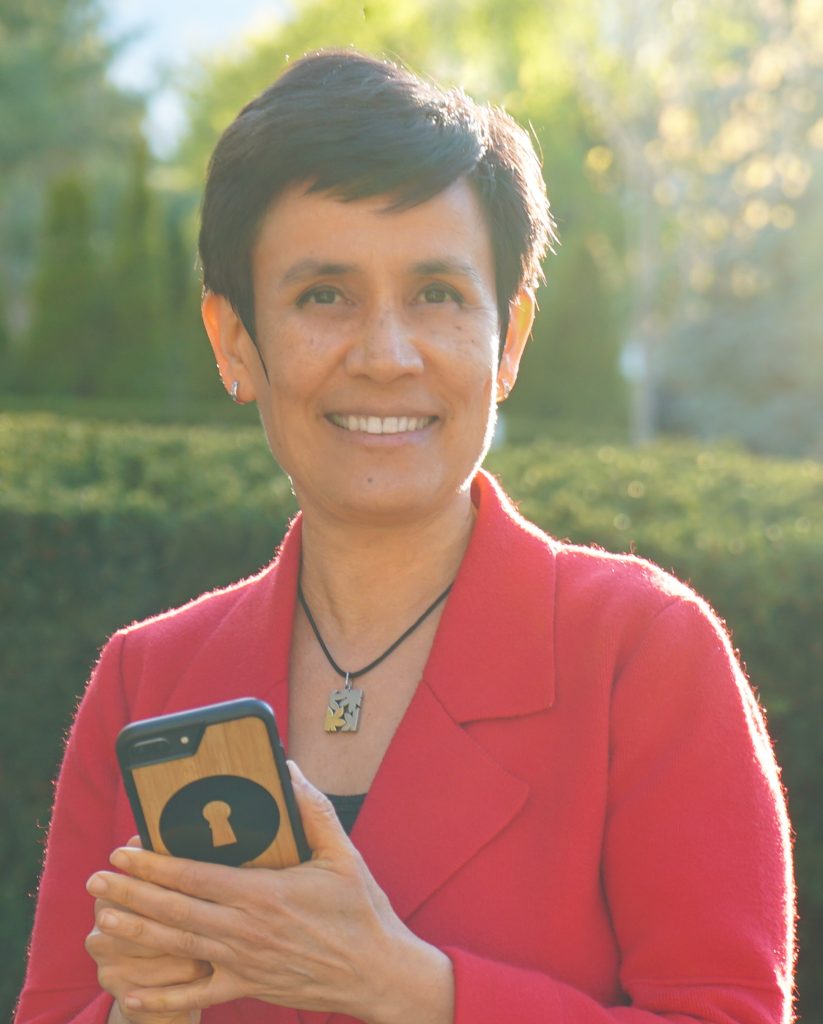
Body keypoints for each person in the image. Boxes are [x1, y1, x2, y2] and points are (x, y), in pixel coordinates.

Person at [15, 49, 794, 1024]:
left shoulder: (640, 652)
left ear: (507, 339)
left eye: (436, 294)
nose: (386, 356)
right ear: (233, 341)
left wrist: (410, 990)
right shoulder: (147, 679)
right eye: (323, 296)